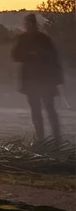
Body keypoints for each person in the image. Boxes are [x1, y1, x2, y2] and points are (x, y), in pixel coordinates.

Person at [12, 13, 64, 141]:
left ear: (34, 24)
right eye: (26, 24)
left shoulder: (44, 39)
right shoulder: (22, 39)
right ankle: (41, 138)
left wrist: (56, 78)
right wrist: (28, 55)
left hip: (45, 79)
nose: (28, 26)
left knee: (49, 109)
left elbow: (54, 58)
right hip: (30, 80)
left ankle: (57, 138)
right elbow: (15, 56)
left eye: (30, 23)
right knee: (35, 110)